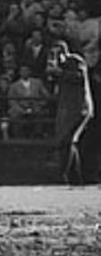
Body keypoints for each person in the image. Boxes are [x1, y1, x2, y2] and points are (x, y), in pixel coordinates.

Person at [47, 41, 95, 184]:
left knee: (68, 140)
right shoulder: (58, 66)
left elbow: (79, 77)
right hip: (67, 108)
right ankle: (74, 177)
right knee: (69, 142)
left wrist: (60, 72)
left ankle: (66, 176)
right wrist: (52, 72)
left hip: (80, 107)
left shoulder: (76, 60)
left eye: (57, 53)